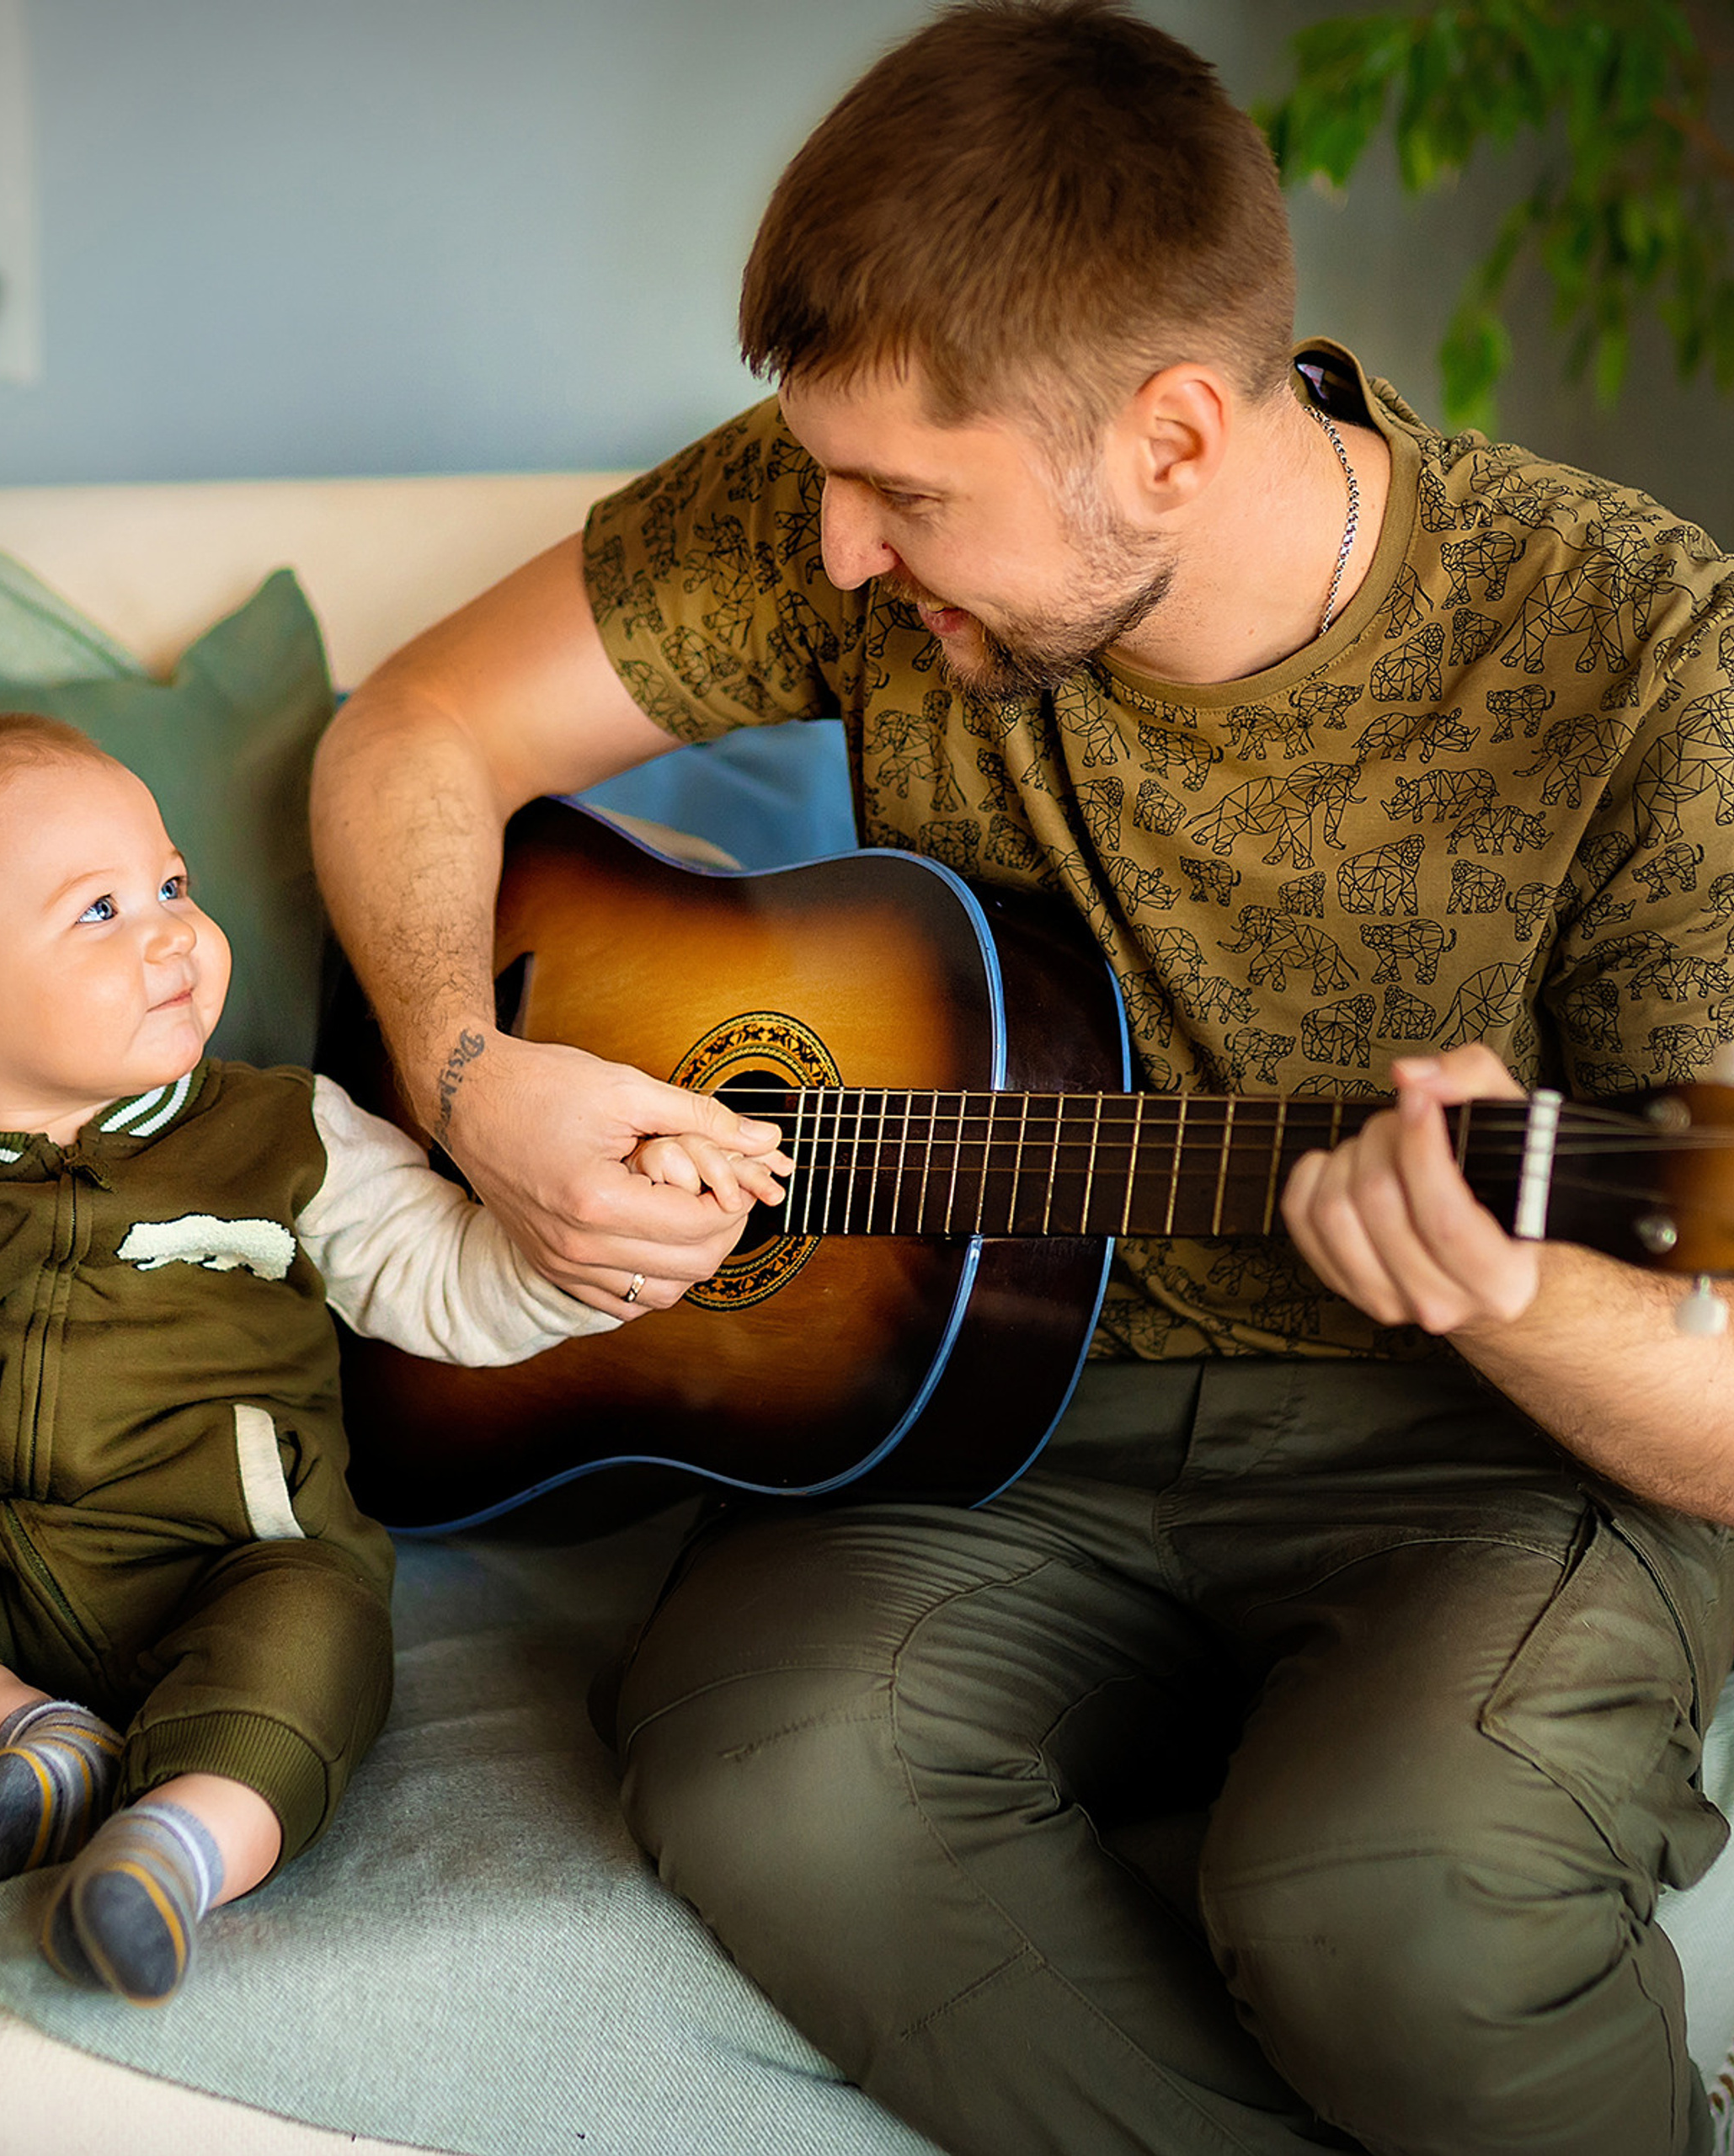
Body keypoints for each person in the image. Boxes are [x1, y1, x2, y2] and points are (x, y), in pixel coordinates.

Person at [307, 2, 1734, 2150]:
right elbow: (410, 731)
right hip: (987, 1423)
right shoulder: (840, 509)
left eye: (903, 494)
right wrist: (465, 1068)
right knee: (766, 1781)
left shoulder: (1637, 656)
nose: (837, 554)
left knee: (1388, 1897)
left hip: (1482, 1449)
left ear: (1169, 435)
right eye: (824, 474)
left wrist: (1500, 1284)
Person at [0, 713, 782, 2006]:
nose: (171, 929)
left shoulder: (284, 1133)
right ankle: (11, 1739)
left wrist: (589, 1257)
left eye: (173, 884)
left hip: (232, 1565)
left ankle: (175, 1850)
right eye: (101, 911)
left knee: (324, 1632)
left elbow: (441, 1279)